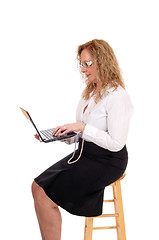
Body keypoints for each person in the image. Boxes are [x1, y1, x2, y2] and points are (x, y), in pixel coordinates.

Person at [32, 39, 133, 240]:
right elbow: (83, 134)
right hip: (85, 154)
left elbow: (116, 143)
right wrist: (64, 135)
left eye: (88, 64)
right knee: (37, 187)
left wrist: (83, 128)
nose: (83, 70)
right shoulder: (90, 93)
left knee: (44, 194)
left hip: (109, 161)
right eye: (81, 64)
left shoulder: (118, 97)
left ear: (103, 62)